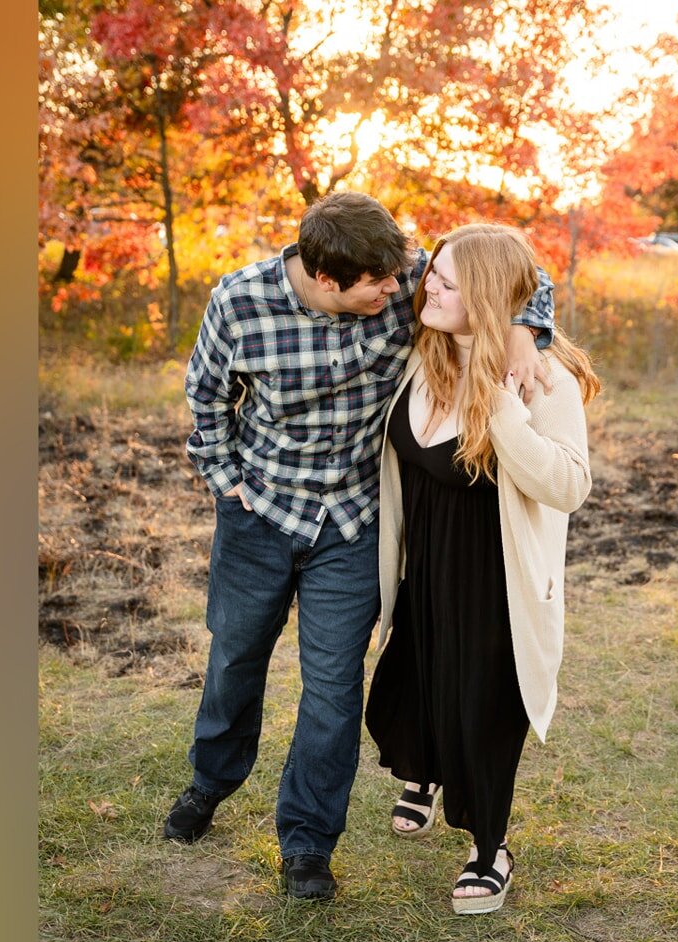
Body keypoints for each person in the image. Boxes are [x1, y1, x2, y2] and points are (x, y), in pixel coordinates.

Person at [164, 192, 556, 901]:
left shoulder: (400, 271)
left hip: (350, 524)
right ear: (323, 278)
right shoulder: (240, 303)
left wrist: (526, 328)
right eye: (379, 286)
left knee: (334, 688)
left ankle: (308, 843)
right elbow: (206, 396)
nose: (398, 290)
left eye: (402, 277)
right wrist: (227, 482)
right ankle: (209, 783)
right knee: (235, 660)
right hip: (260, 517)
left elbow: (513, 269)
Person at [364, 223, 599, 914]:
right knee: (418, 684)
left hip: (495, 581)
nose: (425, 287)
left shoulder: (539, 380)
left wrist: (503, 409)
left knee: (485, 713)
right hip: (424, 567)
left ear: (490, 296)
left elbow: (568, 485)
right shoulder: (423, 353)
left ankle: (490, 848)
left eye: (445, 281)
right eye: (430, 274)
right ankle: (426, 775)